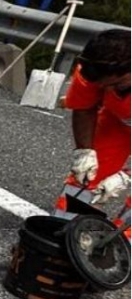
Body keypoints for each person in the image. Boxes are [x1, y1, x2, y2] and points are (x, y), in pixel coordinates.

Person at [51, 28, 131, 237]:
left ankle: (124, 247)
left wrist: (126, 177)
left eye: (115, 84)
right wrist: (84, 152)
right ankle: (66, 230)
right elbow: (84, 108)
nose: (106, 89)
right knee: (88, 174)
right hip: (119, 122)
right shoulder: (92, 71)